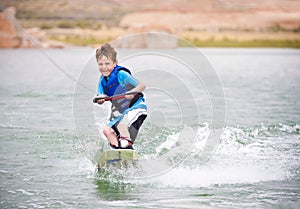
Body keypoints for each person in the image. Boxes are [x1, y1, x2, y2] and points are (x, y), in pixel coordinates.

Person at [94, 43, 147, 149]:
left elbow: (142, 85)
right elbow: (100, 96)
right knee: (107, 131)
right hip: (120, 113)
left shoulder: (121, 74)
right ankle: (117, 152)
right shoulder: (102, 82)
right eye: (100, 64)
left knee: (122, 128)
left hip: (135, 108)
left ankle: (126, 147)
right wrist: (100, 99)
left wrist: (132, 92)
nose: (104, 67)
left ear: (115, 63)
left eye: (107, 64)